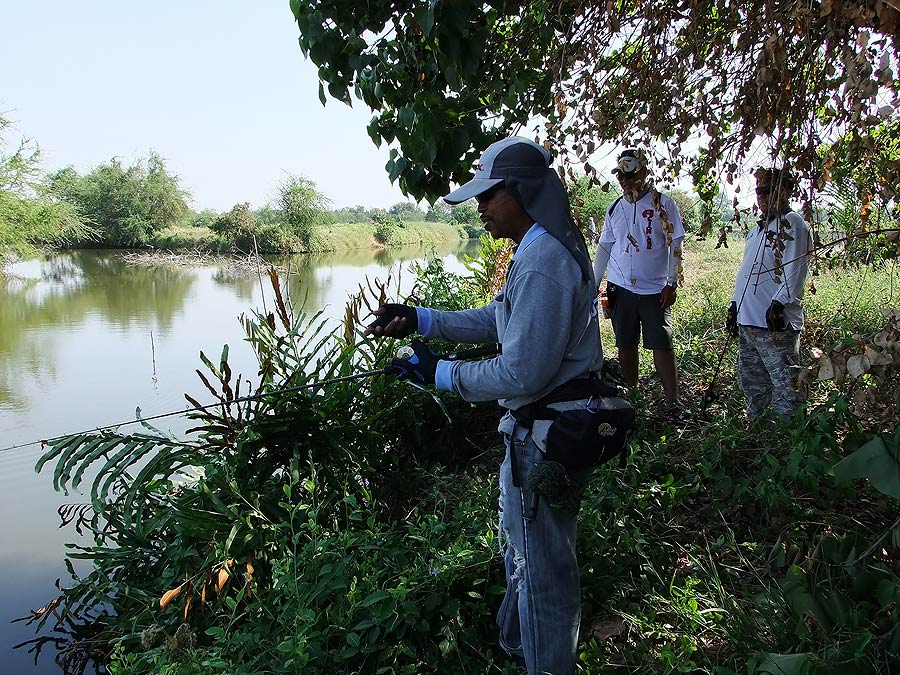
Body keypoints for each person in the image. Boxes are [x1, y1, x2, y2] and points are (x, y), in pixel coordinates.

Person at [364, 136, 603, 675]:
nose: (480, 206)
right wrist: (422, 319)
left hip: (546, 439)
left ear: (519, 191)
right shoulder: (538, 247)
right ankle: (519, 647)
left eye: (488, 195)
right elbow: (500, 318)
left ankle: (547, 665)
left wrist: (438, 373)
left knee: (542, 568)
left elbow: (521, 371)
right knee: (525, 552)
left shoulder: (543, 259)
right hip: (534, 435)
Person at [592, 147, 685, 411]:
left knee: (662, 344)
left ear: (644, 173)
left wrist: (671, 282)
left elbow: (675, 241)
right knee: (625, 342)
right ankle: (632, 396)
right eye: (621, 176)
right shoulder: (614, 208)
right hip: (620, 288)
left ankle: (672, 401)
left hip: (655, 289)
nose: (625, 181)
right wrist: (595, 281)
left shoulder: (663, 204)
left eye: (631, 175)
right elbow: (606, 246)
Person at [727, 167, 812, 418]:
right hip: (749, 320)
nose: (762, 197)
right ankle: (759, 427)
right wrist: (734, 307)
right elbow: (746, 272)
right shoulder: (758, 229)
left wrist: (780, 303)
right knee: (753, 382)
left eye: (769, 191)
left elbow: (795, 268)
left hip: (775, 323)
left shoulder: (792, 223)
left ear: (785, 191)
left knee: (786, 383)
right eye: (759, 192)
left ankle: (789, 434)